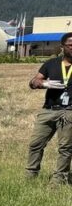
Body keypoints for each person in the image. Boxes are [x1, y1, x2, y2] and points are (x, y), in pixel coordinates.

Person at [26, 32, 72, 184]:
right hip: (49, 110)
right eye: (70, 45)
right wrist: (42, 84)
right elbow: (33, 82)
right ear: (62, 47)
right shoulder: (51, 64)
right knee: (35, 144)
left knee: (65, 148)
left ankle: (59, 179)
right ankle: (31, 175)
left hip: (70, 112)